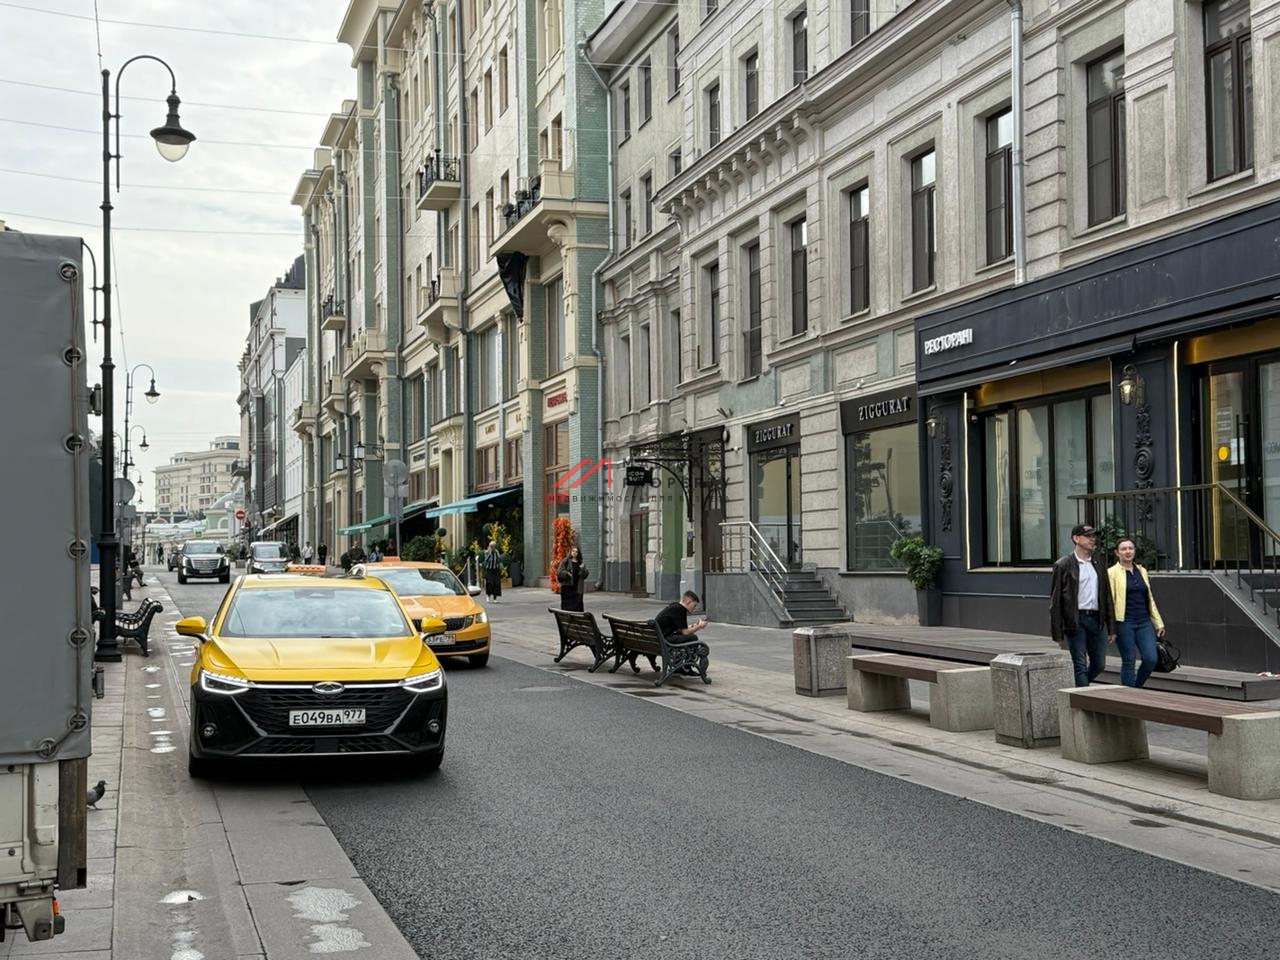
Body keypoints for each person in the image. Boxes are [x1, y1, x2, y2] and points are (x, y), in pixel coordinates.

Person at [1050, 522, 1115, 687]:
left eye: (1094, 536)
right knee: (1079, 664)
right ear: (1076, 538)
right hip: (1075, 619)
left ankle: (1078, 688)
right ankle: (1082, 695)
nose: (1092, 539)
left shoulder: (1099, 562)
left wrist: (1111, 627)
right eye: (1088, 536)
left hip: (1096, 618)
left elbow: (1106, 596)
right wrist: (1057, 633)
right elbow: (1056, 600)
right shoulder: (1063, 564)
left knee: (1099, 664)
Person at [1109, 537, 1165, 688]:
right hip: (1124, 622)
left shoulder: (1142, 571)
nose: (1128, 552)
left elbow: (1149, 598)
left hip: (1144, 621)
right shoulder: (1111, 573)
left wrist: (1158, 622)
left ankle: (1135, 688)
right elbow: (1109, 602)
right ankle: (1128, 694)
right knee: (1129, 660)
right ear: (1117, 553)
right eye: (1123, 549)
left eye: (1130, 548)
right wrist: (1111, 628)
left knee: (1151, 659)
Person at [653, 591, 710, 675]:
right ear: (688, 602)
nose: (694, 609)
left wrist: (695, 625)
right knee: (693, 638)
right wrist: (699, 627)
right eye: (694, 605)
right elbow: (685, 632)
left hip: (657, 639)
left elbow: (680, 629)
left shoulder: (674, 607)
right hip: (665, 640)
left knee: (686, 637)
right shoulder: (680, 610)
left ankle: (678, 666)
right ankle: (687, 668)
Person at [556, 546, 588, 611]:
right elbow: (559, 572)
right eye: (573, 551)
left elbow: (585, 575)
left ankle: (577, 617)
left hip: (577, 588)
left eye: (576, 552)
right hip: (567, 588)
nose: (574, 553)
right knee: (567, 607)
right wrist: (566, 573)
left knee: (578, 606)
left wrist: (582, 569)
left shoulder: (580, 563)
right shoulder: (565, 561)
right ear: (570, 552)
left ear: (578, 553)